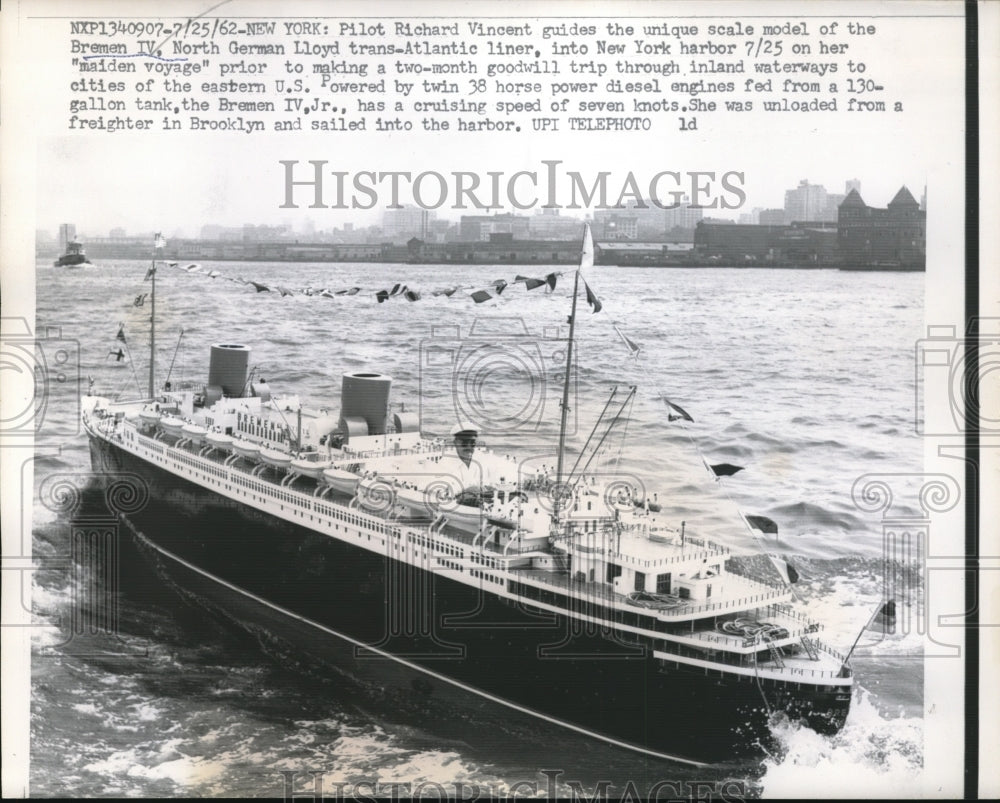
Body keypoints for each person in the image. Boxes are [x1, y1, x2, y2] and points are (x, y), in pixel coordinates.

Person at [440, 422, 494, 504]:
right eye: (464, 442)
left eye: (472, 443)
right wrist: (472, 488)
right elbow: (447, 491)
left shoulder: (481, 459)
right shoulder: (446, 462)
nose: (469, 447)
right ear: (455, 442)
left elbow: (488, 483)